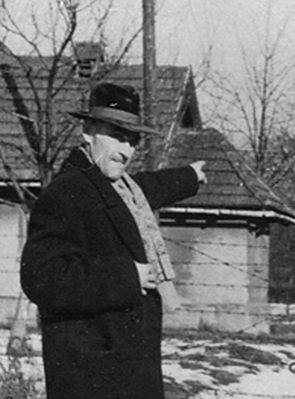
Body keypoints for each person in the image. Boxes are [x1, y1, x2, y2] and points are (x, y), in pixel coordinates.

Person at [20, 83, 206, 399]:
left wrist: (189, 176)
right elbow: (41, 277)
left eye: (132, 141)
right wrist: (127, 276)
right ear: (88, 131)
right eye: (117, 136)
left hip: (123, 369)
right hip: (91, 375)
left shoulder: (119, 189)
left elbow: (150, 186)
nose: (126, 150)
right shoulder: (65, 194)